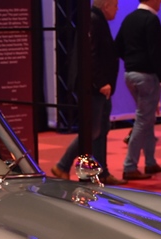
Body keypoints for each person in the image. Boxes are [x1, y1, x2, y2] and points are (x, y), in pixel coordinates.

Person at [52, 0, 126, 186]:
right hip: (94, 87)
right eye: (115, 5)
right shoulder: (94, 20)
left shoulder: (96, 20)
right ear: (106, 5)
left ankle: (101, 172)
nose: (117, 9)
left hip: (99, 86)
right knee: (91, 131)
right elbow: (90, 55)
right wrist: (100, 82)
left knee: (100, 130)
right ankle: (62, 165)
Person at [115, 0, 161, 181]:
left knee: (147, 118)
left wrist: (132, 61)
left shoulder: (129, 18)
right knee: (143, 119)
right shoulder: (151, 20)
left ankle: (150, 161)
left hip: (130, 74)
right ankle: (129, 166)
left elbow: (118, 47)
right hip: (147, 76)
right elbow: (156, 53)